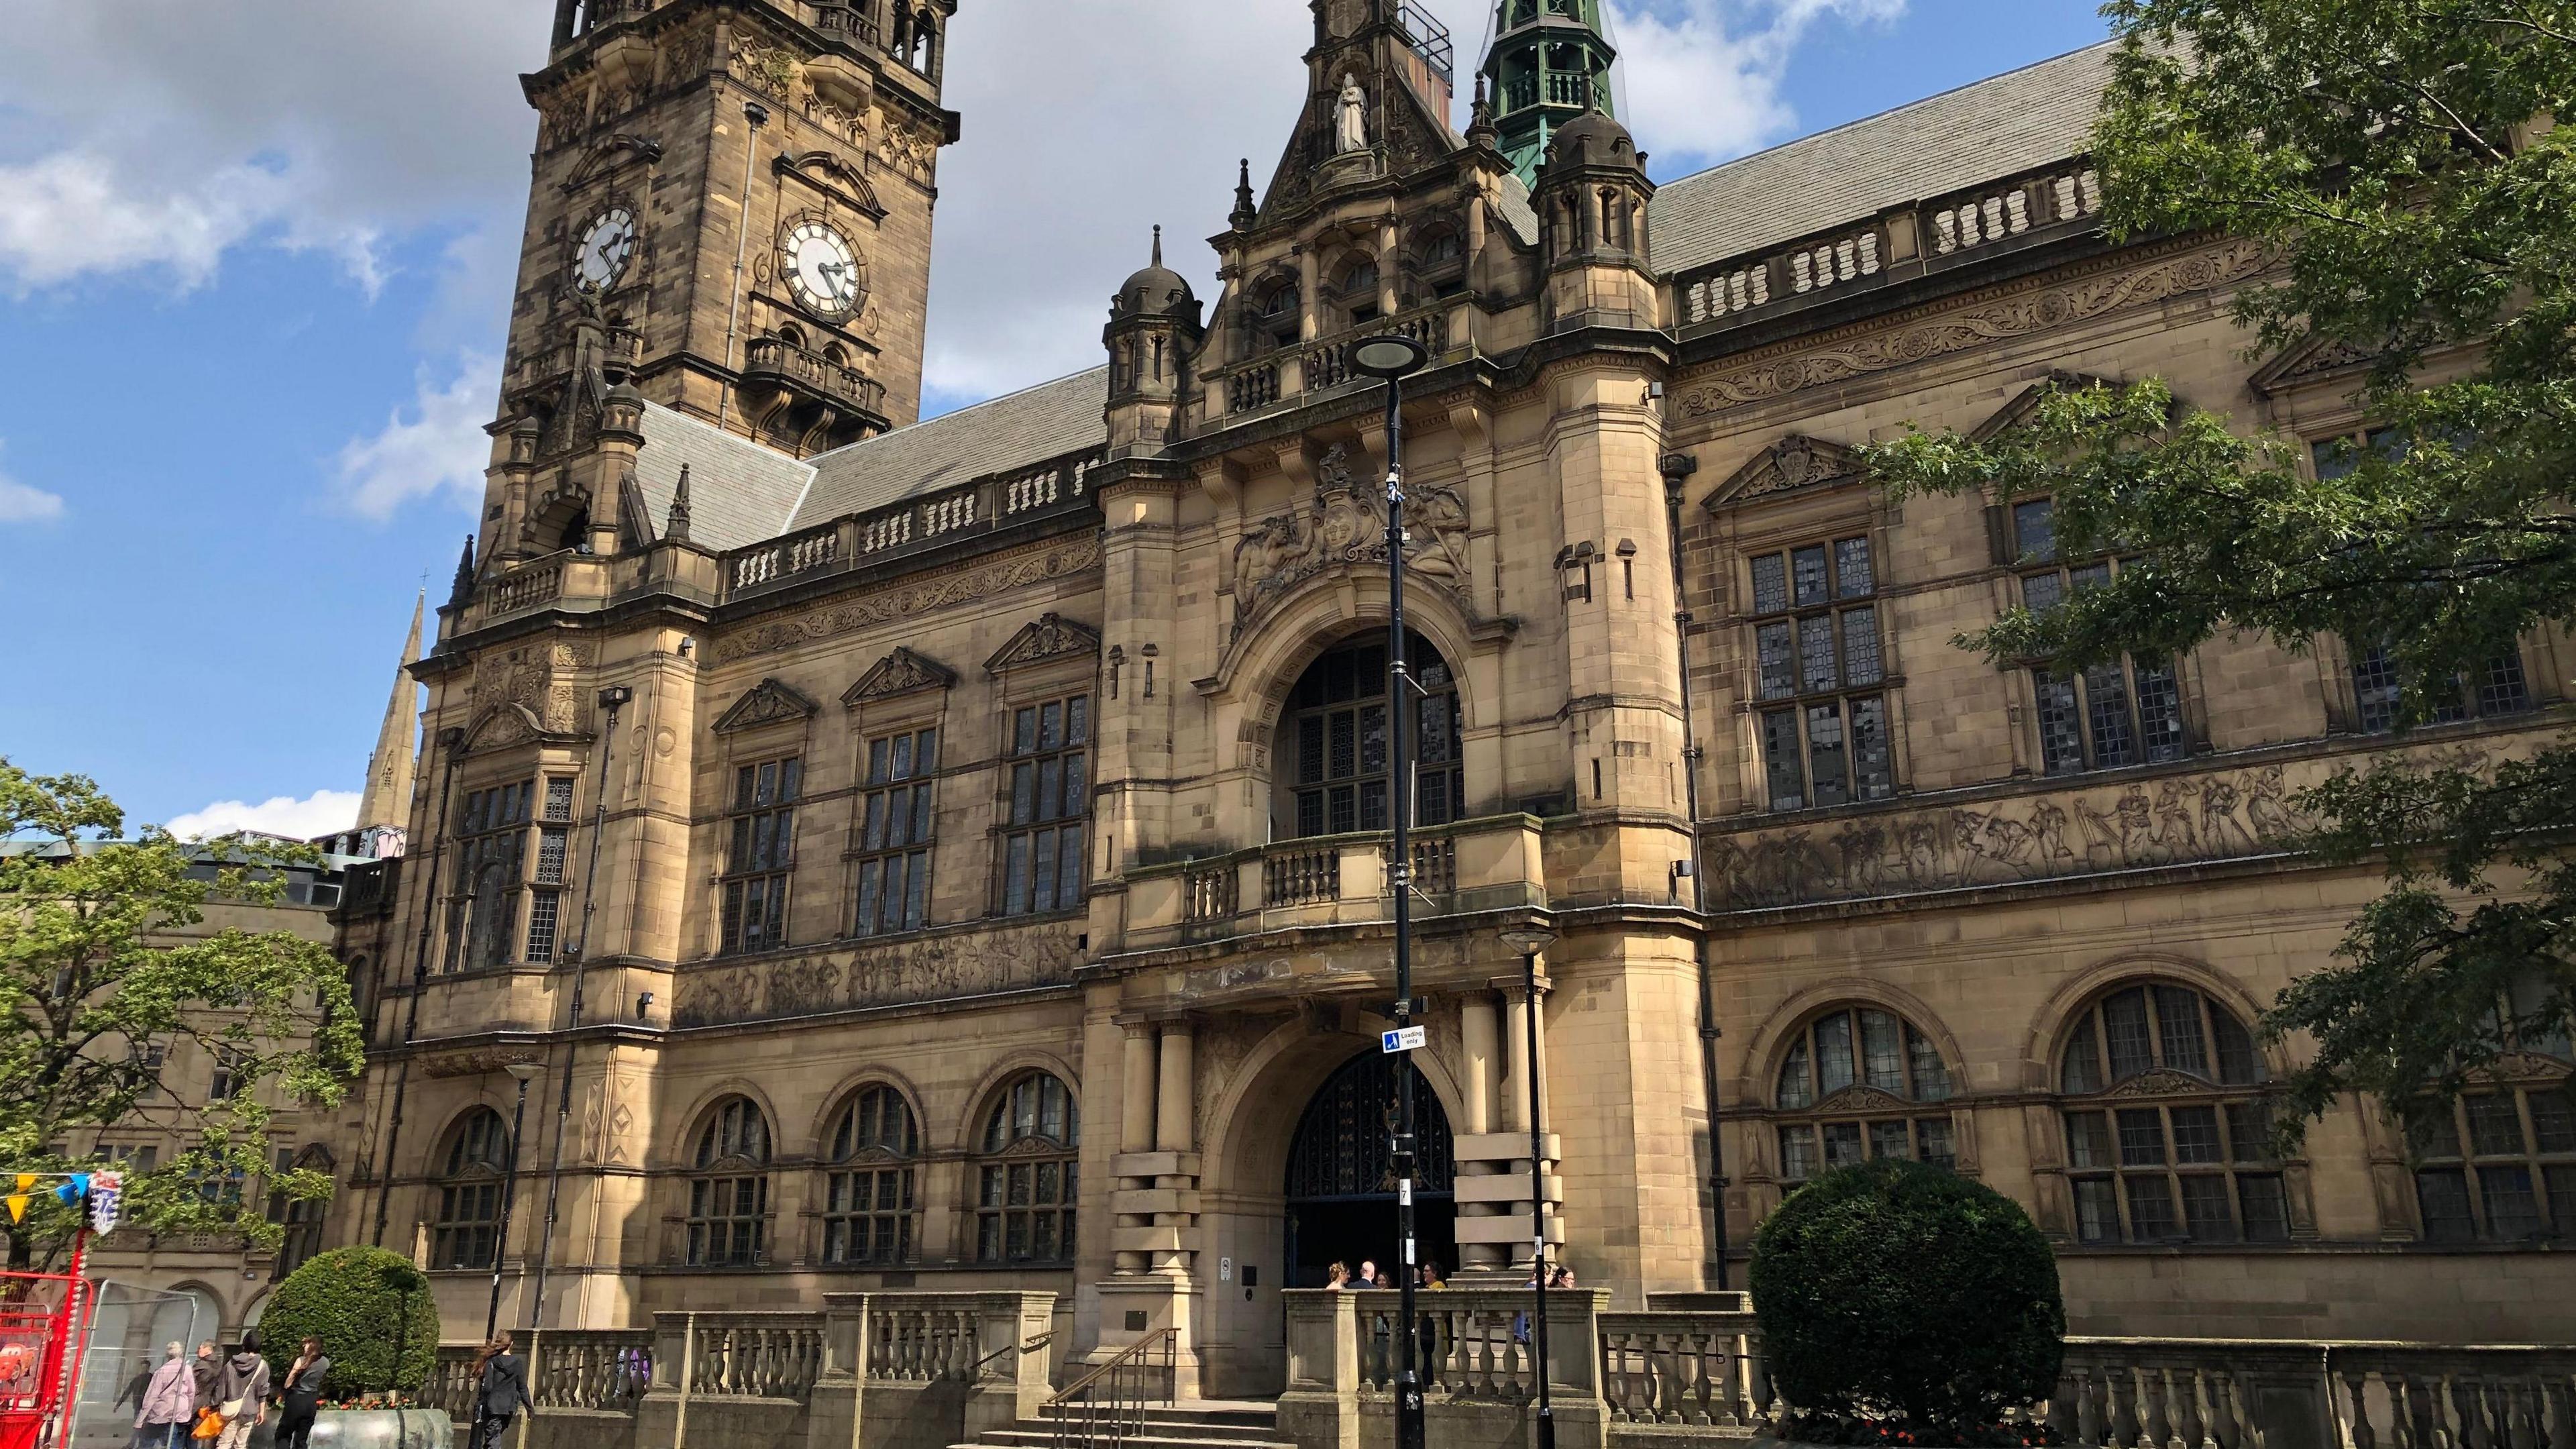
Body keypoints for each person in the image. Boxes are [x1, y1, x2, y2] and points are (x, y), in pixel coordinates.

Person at [470, 1332, 528, 1449]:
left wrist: (481, 1402)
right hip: (509, 1408)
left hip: (493, 1407)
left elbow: (487, 1387)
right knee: (494, 1438)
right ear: (511, 1344)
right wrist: (530, 1409)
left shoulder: (492, 1362)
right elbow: (522, 1387)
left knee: (493, 1439)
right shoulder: (517, 1363)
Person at [134, 1343, 197, 1449]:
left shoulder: (161, 1371)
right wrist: (188, 1410)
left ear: (167, 1354)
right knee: (174, 1441)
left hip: (161, 1411)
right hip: (180, 1410)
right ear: (181, 1353)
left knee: (148, 1440)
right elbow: (191, 1392)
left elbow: (152, 1395)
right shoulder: (187, 1369)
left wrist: (141, 1419)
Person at [210, 1336, 270, 1449]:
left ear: (244, 1345)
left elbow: (221, 1389)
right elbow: (263, 1391)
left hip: (230, 1411)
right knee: (240, 1445)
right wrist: (261, 1411)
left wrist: (214, 1405)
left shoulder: (231, 1364)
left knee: (224, 1444)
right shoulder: (263, 1366)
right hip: (250, 1411)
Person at [274, 1338, 330, 1449]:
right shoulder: (325, 1362)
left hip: (296, 1400)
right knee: (301, 1439)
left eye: (306, 1344)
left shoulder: (301, 1360)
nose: (303, 1347)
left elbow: (288, 1384)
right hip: (311, 1403)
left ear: (312, 1346)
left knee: (283, 1435)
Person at [189, 1344, 220, 1415]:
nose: (197, 1351)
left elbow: (189, 1379)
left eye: (200, 1348)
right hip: (208, 1402)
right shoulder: (217, 1365)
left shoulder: (201, 1365)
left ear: (207, 1349)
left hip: (196, 1402)